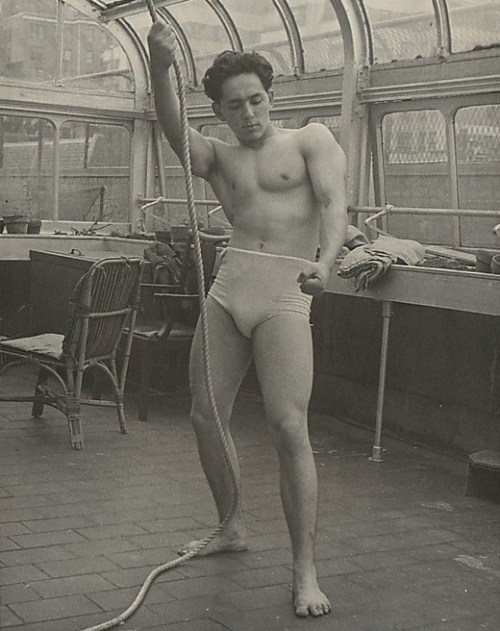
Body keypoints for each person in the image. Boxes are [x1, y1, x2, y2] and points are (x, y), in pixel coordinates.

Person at [148, 21, 348, 618]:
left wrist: (329, 262)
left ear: (271, 97)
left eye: (256, 100)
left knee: (289, 430)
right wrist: (160, 68)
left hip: (287, 292)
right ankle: (231, 524)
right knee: (205, 414)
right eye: (234, 106)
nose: (249, 113)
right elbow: (172, 129)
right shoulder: (217, 157)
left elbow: (337, 204)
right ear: (221, 111)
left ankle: (304, 572)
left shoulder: (311, 139)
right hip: (230, 289)